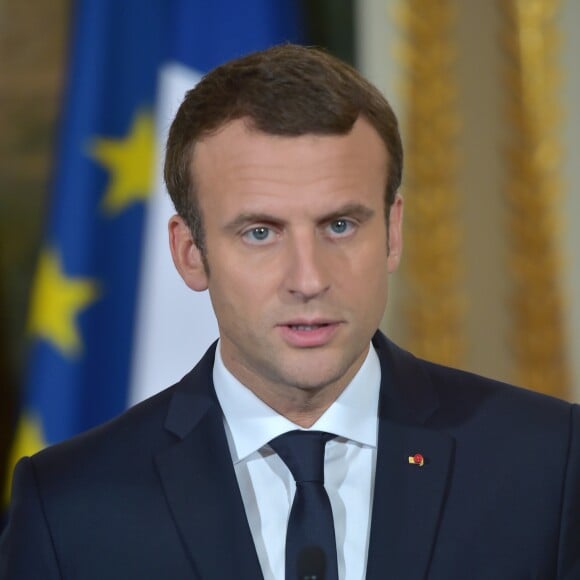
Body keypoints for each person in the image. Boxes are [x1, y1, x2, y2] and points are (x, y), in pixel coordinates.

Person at [1, 44, 579, 580]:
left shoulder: (549, 464)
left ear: (393, 232)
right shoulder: (69, 506)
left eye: (340, 225)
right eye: (260, 232)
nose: (308, 279)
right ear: (190, 253)